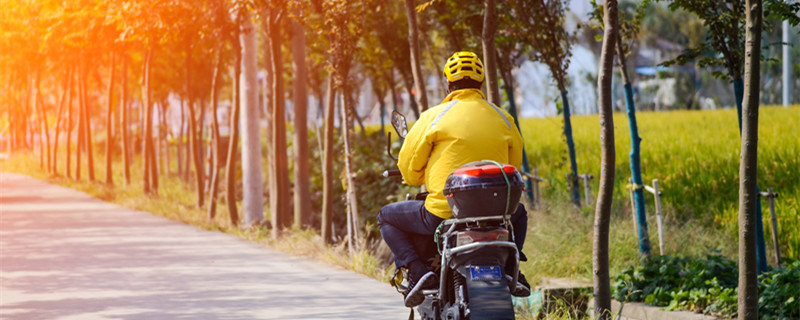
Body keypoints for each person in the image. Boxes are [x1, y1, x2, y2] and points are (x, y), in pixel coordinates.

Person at [377, 51, 530, 308]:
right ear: (480, 82)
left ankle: (418, 272)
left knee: (386, 216)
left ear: (448, 83)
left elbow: (409, 168)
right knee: (521, 213)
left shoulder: (433, 117)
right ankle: (512, 268)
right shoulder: (504, 118)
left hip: (444, 214)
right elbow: (512, 166)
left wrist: (417, 176)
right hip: (499, 214)